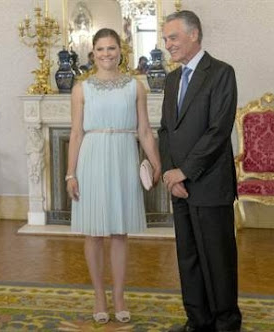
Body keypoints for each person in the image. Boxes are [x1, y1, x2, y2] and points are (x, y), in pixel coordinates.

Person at [66, 28, 161, 324]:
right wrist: (70, 173)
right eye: (101, 49)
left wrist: (157, 163)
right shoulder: (81, 88)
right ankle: (99, 296)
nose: (106, 54)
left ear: (121, 51)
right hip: (91, 157)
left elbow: (144, 130)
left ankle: (119, 296)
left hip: (123, 154)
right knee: (93, 232)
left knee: (120, 232)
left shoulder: (136, 86)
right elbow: (76, 132)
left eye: (111, 48)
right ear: (92, 53)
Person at [158, 10, 242, 332]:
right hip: (179, 186)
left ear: (194, 35)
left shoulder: (221, 73)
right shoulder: (171, 79)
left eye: (173, 37)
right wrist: (170, 173)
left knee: (218, 260)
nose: (168, 45)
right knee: (188, 258)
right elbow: (166, 130)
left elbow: (218, 130)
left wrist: (186, 172)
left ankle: (225, 323)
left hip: (209, 183)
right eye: (165, 39)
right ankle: (198, 320)